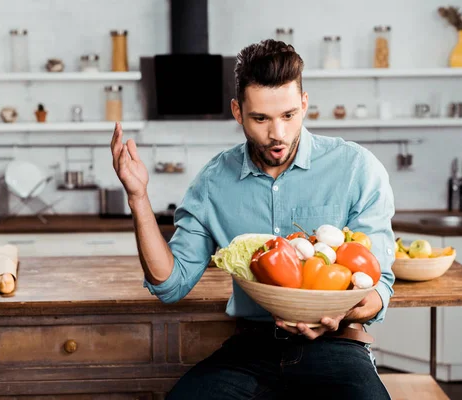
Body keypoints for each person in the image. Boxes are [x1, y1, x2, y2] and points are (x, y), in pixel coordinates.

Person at [110, 39, 395, 399]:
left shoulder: (356, 168)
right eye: (261, 118)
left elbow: (379, 286)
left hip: (337, 345)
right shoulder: (214, 181)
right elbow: (170, 284)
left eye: (288, 115)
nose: (277, 134)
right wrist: (138, 198)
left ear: (304, 105)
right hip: (251, 348)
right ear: (237, 111)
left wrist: (340, 314)